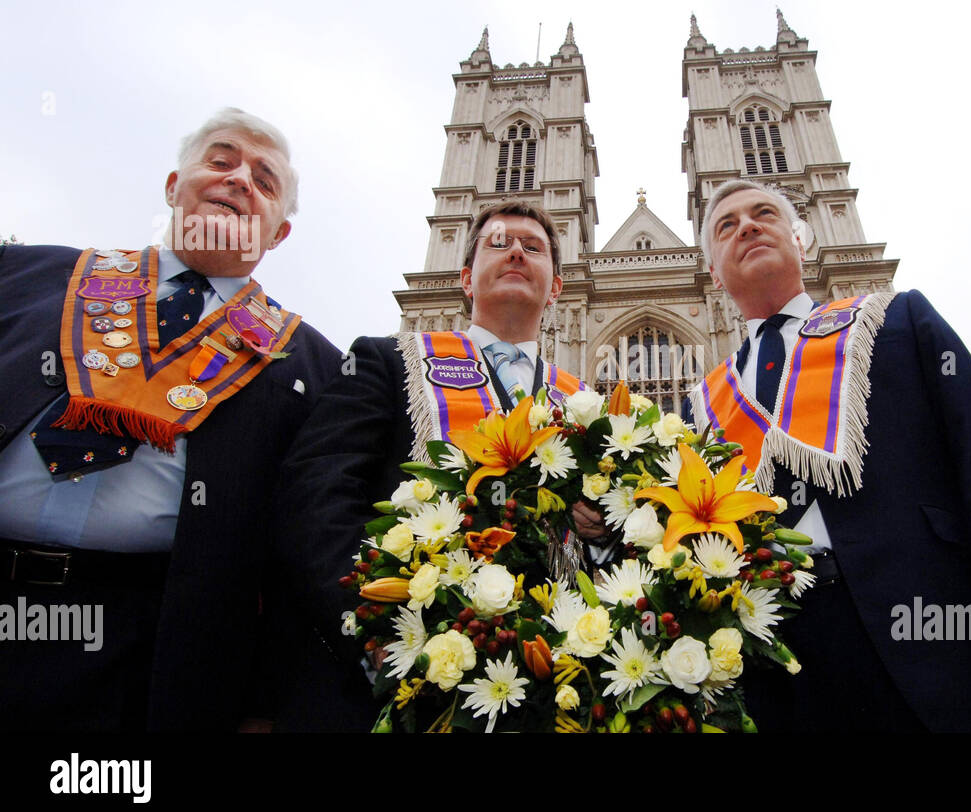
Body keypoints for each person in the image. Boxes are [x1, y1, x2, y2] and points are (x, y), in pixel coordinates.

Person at [690, 179, 971, 731]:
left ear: (801, 240)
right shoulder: (703, 404)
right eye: (726, 226)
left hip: (935, 621)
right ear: (712, 273)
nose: (748, 227)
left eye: (764, 214)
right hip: (780, 659)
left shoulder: (895, 318)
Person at [0, 107, 339, 731]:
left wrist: (266, 707)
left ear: (278, 233)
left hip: (145, 649)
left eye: (265, 181)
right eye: (220, 160)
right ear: (171, 187)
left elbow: (303, 556)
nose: (239, 179)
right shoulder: (22, 275)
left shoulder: (315, 366)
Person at [272, 200, 593, 730]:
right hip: (402, 672)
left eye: (533, 248)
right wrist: (371, 622)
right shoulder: (388, 360)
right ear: (466, 279)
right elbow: (316, 497)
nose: (516, 250)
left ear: (556, 286)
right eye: (499, 242)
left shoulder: (585, 404)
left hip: (553, 684)